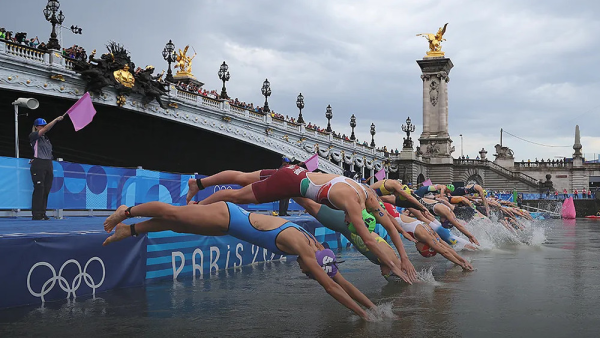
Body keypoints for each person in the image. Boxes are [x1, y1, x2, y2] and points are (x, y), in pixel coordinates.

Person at [103, 201, 377, 320]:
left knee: (180, 226)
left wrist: (374, 308)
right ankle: (127, 212)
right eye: (308, 272)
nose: (302, 270)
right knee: (175, 215)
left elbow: (342, 282)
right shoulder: (303, 247)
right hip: (228, 216)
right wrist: (365, 317)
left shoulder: (316, 248)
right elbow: (331, 288)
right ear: (313, 262)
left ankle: (132, 230)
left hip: (228, 226)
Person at [185, 166, 417, 281]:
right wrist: (396, 266)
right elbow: (367, 238)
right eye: (353, 217)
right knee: (236, 196)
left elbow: (388, 225)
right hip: (289, 183)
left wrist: (404, 256)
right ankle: (198, 208)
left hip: (295, 171)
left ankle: (199, 183)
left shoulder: (367, 193)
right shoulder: (353, 203)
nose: (351, 219)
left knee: (242, 177)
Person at [292, 197, 416, 283]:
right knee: (309, 205)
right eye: (387, 275)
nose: (383, 274)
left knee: (310, 206)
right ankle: (287, 186)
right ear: (394, 271)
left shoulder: (386, 261)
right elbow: (378, 235)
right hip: (343, 223)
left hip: (343, 225)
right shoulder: (389, 259)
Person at [29, 116, 63, 220]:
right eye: (41, 126)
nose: (43, 127)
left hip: (48, 163)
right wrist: (56, 120)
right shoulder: (33, 135)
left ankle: (43, 212)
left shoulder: (46, 139)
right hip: (39, 163)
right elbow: (47, 129)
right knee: (39, 188)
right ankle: (36, 213)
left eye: (44, 125)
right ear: (36, 127)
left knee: (46, 189)